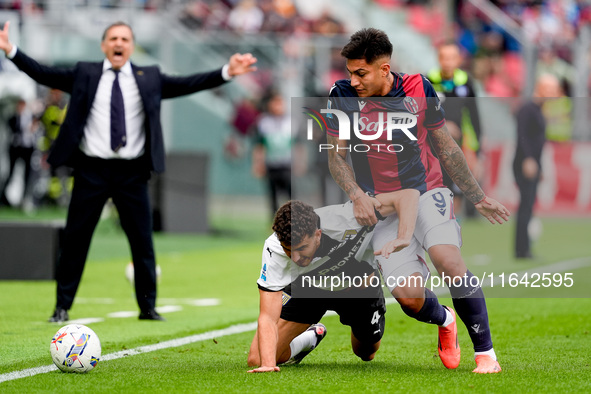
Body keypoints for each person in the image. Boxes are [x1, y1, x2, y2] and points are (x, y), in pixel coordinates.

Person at [0, 20, 257, 323]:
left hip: (132, 174)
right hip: (91, 170)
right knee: (75, 241)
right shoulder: (86, 73)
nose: (118, 43)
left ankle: (147, 307)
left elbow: (188, 83)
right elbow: (45, 73)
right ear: (103, 45)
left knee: (142, 241)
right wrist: (11, 51)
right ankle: (61, 307)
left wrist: (226, 72)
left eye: (124, 38)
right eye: (113, 38)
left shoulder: (148, 77)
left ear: (132, 46)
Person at [325, 28, 510, 373]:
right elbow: (336, 156)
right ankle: (445, 320)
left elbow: (445, 146)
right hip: (381, 207)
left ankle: (486, 354)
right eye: (350, 72)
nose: (353, 80)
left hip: (427, 191)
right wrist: (355, 195)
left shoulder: (418, 88)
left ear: (384, 69)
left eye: (360, 73)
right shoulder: (341, 95)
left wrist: (477, 196)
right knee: (409, 299)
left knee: (448, 261)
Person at [247, 192, 421, 373]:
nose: (295, 258)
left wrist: (404, 236)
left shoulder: (347, 219)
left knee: (366, 353)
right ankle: (312, 337)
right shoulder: (274, 248)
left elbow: (407, 197)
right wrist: (267, 364)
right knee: (257, 358)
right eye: (288, 250)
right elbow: (268, 316)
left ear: (318, 234)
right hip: (309, 288)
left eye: (301, 248)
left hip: (356, 287)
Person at [427, 40, 482, 219]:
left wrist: (478, 152)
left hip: (457, 147)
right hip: (430, 147)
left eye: (452, 58)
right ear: (438, 59)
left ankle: (450, 227)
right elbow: (417, 113)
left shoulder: (466, 83)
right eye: (444, 57)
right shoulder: (427, 81)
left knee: (455, 191)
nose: (448, 62)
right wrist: (442, 126)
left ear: (458, 60)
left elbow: (475, 118)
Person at [513, 74, 560, 259]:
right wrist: (529, 159)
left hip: (533, 162)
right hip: (526, 162)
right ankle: (521, 250)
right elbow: (522, 135)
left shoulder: (538, 109)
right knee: (526, 205)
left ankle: (524, 248)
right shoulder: (528, 109)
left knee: (530, 204)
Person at [252, 91, 301, 217]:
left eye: (280, 103)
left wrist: (299, 163)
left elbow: (298, 145)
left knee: (291, 196)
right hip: (271, 164)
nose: (278, 106)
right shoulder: (264, 122)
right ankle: (274, 223)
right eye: (275, 103)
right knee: (272, 196)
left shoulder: (291, 122)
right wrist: (258, 163)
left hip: (286, 164)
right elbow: (259, 145)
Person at [0, 98, 38, 208]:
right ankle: (3, 197)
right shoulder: (14, 118)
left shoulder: (31, 117)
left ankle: (25, 199)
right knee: (10, 173)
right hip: (16, 149)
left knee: (27, 174)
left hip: (27, 149)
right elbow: (12, 129)